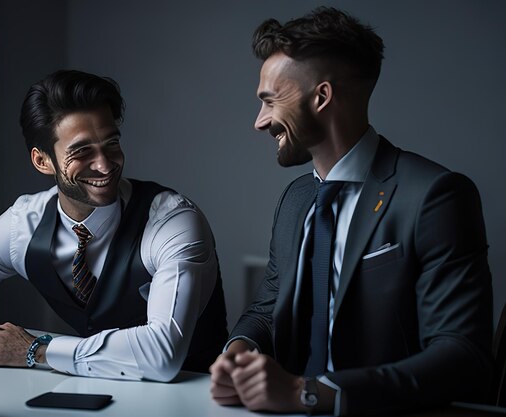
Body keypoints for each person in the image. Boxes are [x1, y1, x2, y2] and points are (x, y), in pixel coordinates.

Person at [210, 6, 493, 416]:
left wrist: (310, 393)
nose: (260, 121)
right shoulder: (295, 200)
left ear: (322, 97)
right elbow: (267, 309)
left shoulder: (436, 196)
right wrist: (238, 354)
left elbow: (462, 356)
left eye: (270, 101)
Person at [0, 69, 228, 382]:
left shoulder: (173, 221)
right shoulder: (22, 226)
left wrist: (36, 350)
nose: (104, 164)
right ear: (43, 161)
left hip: (197, 394)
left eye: (111, 143)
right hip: (92, 391)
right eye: (82, 151)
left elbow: (163, 354)